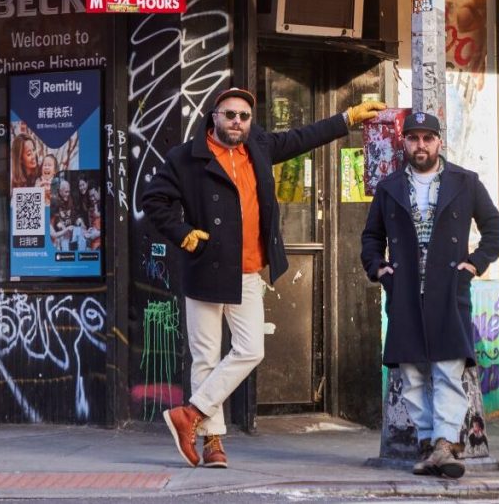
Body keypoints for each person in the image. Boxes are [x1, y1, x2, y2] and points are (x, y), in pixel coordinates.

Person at [141, 87, 386, 469]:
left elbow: (302, 138)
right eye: (229, 115)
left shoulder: (258, 146)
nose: (237, 122)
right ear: (214, 117)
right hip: (205, 266)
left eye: (243, 116)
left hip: (249, 270)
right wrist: (184, 234)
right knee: (205, 357)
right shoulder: (187, 157)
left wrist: (348, 119)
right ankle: (213, 442)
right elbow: (153, 199)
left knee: (251, 349)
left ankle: (191, 413)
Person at [361, 111, 499, 479]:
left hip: (448, 289)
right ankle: (429, 443)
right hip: (406, 290)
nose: (420, 145)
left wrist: (474, 264)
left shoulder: (465, 182)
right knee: (410, 372)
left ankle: (444, 442)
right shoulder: (390, 186)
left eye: (428, 138)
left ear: (440, 142)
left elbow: (494, 226)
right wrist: (379, 268)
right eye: (413, 138)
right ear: (404, 142)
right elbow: (371, 237)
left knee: (446, 369)